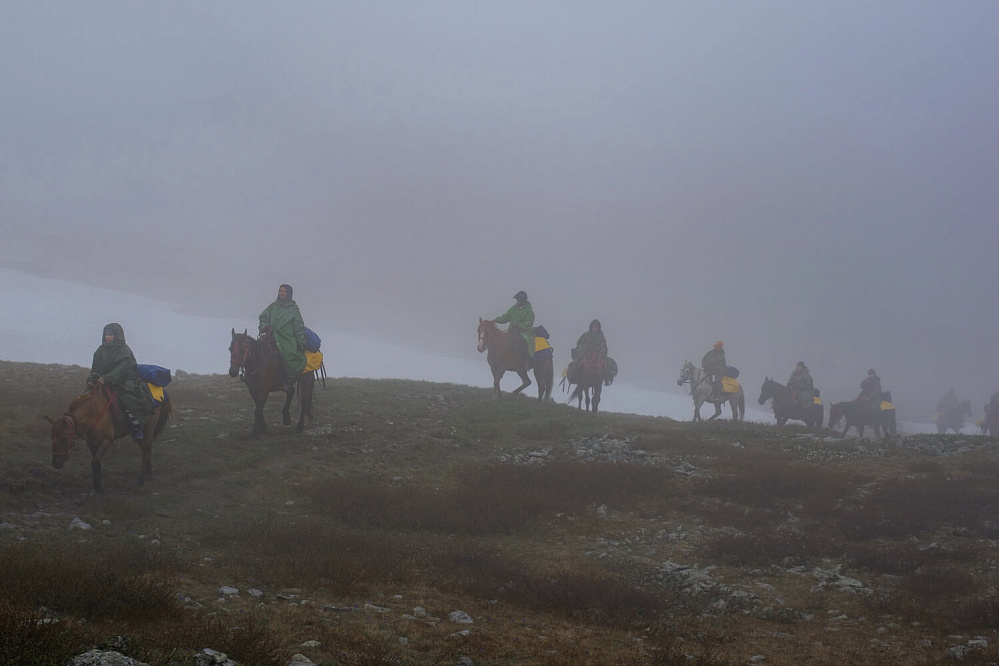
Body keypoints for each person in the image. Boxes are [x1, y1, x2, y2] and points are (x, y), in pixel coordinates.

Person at [87, 323, 154, 441]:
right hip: (103, 380)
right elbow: (95, 366)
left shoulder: (124, 350)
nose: (107, 337)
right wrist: (93, 379)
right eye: (106, 335)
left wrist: (107, 379)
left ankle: (137, 426)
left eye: (110, 335)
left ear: (117, 336)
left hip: (124, 380)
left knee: (128, 398)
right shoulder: (100, 350)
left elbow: (122, 369)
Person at [259, 283, 307, 391]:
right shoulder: (273, 306)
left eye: (284, 291)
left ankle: (289, 382)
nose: (281, 293)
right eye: (280, 291)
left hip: (286, 340)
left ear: (289, 294)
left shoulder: (293, 309)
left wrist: (301, 344)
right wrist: (264, 326)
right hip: (270, 337)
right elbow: (263, 317)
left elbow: (299, 327)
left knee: (289, 358)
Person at [495, 290, 535, 367]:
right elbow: (505, 317)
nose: (517, 302)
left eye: (519, 300)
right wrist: (496, 320)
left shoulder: (529, 311)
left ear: (523, 300)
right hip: (512, 331)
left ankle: (526, 361)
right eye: (517, 300)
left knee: (523, 342)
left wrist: (519, 326)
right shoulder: (513, 309)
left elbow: (528, 323)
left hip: (524, 333)